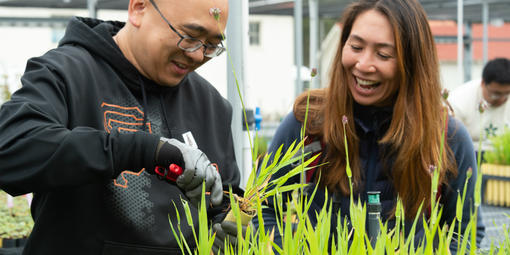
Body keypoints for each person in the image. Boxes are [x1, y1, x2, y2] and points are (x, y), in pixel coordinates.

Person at [0, 0, 241, 254]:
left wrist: (229, 223)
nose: (196, 54)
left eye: (212, 45)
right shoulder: (67, 73)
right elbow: (11, 149)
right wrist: (145, 150)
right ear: (138, 8)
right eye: (189, 36)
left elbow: (225, 196)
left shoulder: (210, 104)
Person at [254, 0, 485, 253]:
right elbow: (264, 206)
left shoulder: (446, 138)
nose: (363, 65)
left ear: (412, 63)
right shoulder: (309, 123)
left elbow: (464, 233)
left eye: (383, 54)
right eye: (355, 46)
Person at [448, 58, 510, 153]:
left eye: (506, 94)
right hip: (470, 154)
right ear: (483, 83)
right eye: (496, 94)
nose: (502, 99)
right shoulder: (459, 101)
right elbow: (453, 143)